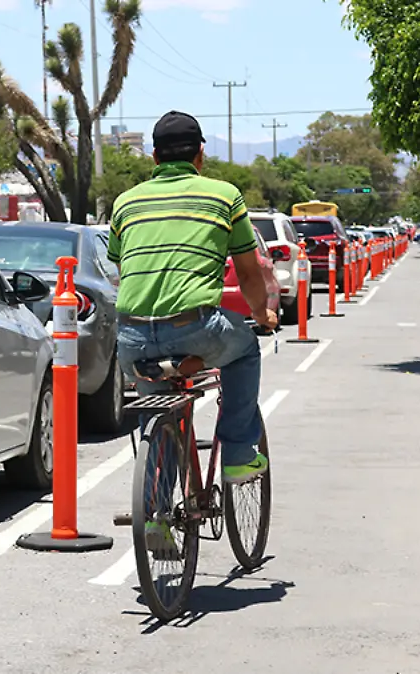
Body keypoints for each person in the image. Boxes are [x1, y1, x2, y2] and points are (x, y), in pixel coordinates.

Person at [108, 110, 277, 486]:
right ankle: (238, 454)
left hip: (132, 339)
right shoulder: (224, 196)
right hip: (195, 329)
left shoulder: (125, 203)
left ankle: (156, 507)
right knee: (245, 350)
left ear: (154, 157)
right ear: (201, 154)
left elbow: (123, 268)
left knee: (157, 416)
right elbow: (249, 274)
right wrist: (261, 314)